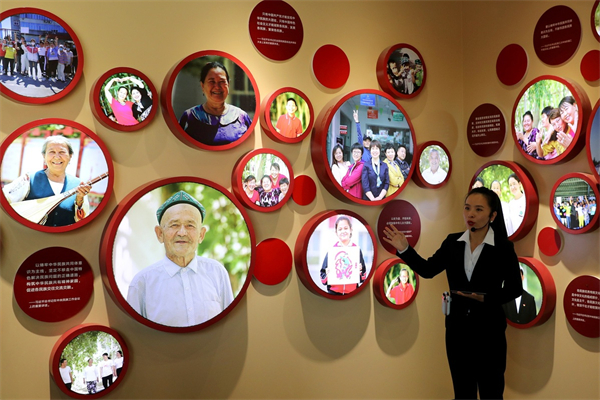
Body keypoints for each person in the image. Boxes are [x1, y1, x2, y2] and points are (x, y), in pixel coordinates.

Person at [383, 187, 522, 399]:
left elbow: (514, 288)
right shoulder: (452, 243)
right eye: (467, 208)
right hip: (457, 332)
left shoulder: (503, 247)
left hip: (489, 333)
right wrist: (405, 249)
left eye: (478, 209)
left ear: (492, 216)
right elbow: (428, 270)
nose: (471, 214)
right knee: (462, 393)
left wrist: (485, 298)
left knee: (491, 392)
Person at [127, 191, 234, 327]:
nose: (182, 233)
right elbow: (135, 335)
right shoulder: (142, 283)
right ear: (160, 234)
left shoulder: (217, 273)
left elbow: (231, 325)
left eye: (190, 225)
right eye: (174, 225)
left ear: (201, 235)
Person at [2, 135, 92, 227]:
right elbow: (4, 201)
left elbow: (83, 221)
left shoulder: (77, 184)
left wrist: (79, 200)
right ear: (44, 156)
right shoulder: (29, 179)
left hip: (64, 239)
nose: (57, 157)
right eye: (52, 152)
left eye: (62, 152)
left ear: (70, 156)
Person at [179, 61, 252, 146]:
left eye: (222, 81)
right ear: (202, 86)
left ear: (228, 84)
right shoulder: (189, 117)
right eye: (211, 81)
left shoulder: (241, 117)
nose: (217, 87)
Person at [319, 216, 367, 295]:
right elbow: (322, 278)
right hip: (334, 294)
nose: (343, 231)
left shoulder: (356, 250)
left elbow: (363, 278)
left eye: (345, 228)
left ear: (351, 230)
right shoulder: (332, 251)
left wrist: (359, 271)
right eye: (340, 229)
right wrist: (328, 275)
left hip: (352, 295)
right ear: (336, 232)